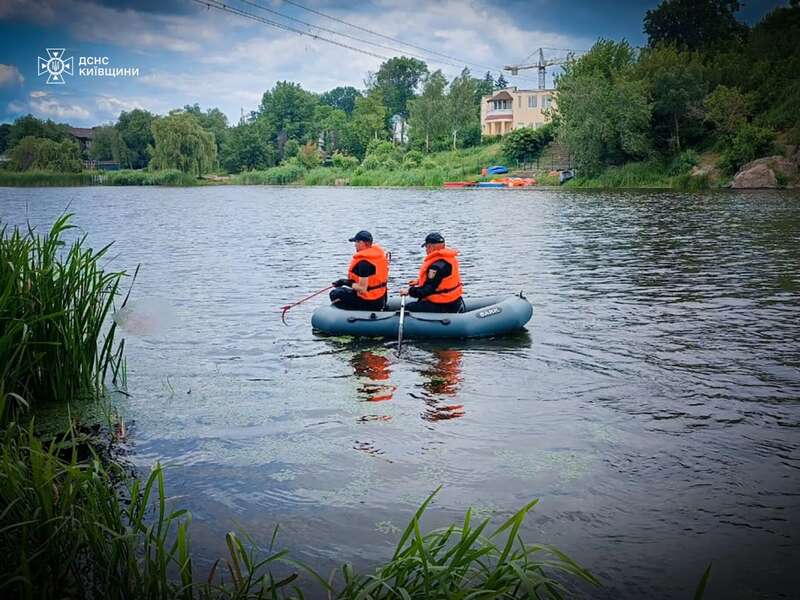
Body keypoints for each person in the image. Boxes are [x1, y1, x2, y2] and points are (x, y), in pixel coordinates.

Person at [400, 232, 464, 313]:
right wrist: (419, 282)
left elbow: (427, 290)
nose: (426, 250)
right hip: (454, 301)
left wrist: (409, 291)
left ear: (430, 247)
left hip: (443, 304)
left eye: (426, 247)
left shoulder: (436, 267)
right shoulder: (449, 259)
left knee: (408, 308)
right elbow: (440, 280)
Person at [330, 230, 389, 310]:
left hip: (370, 302)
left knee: (334, 294)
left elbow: (363, 288)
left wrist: (345, 282)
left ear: (363, 243)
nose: (355, 245)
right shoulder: (379, 256)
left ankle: (352, 315)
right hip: (382, 298)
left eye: (356, 242)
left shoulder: (364, 263)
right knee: (344, 291)